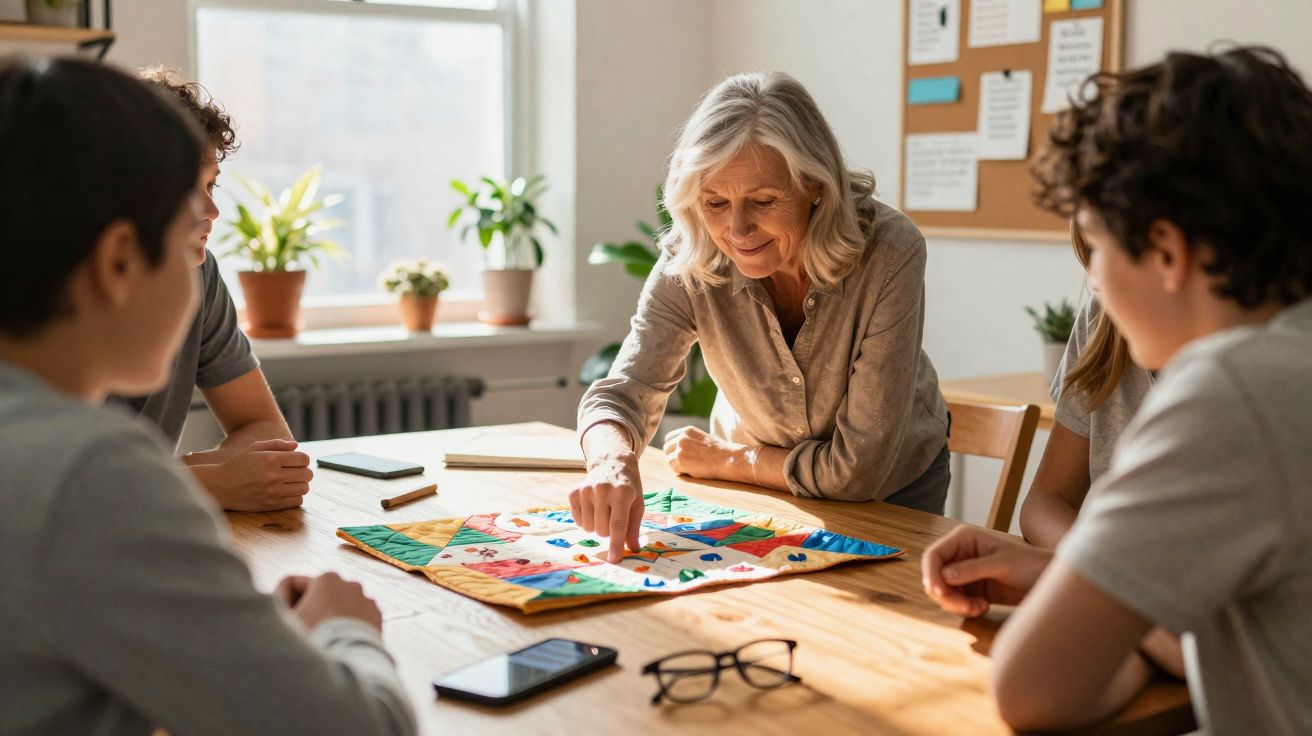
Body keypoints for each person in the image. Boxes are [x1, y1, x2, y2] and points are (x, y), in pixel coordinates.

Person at [0, 56, 415, 735]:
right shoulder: (90, 473)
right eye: (185, 215)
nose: (208, 231)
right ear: (118, 262)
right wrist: (345, 631)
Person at [921, 46, 1312, 733]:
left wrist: (1062, 580)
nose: (1093, 280)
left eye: (1097, 247)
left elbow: (1031, 688)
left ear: (1166, 252)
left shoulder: (1232, 390)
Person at [574, 72, 950, 562]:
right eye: (714, 203)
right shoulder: (690, 258)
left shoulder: (890, 251)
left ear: (816, 186)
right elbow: (623, 394)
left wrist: (733, 460)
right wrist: (612, 461)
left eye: (763, 202)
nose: (737, 230)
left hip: (891, 497)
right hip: (758, 498)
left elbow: (858, 472)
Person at [106, 66, 312, 513]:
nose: (213, 210)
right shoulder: (46, 290)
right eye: (186, 187)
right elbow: (45, 490)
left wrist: (178, 476)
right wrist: (207, 483)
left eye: (212, 184)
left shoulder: (197, 274)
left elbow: (268, 434)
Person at [1017, 227, 1154, 548]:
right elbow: (1046, 500)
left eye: (1102, 248)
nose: (1092, 280)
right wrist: (1085, 561)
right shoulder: (1101, 323)